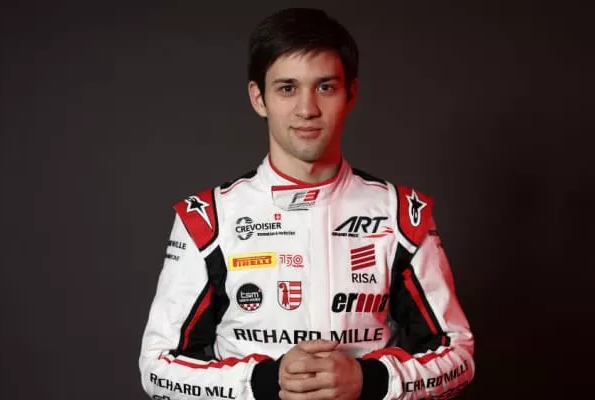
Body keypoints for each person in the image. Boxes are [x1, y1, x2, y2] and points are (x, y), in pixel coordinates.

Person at [138, 7, 475, 400]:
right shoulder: (208, 219)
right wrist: (267, 382)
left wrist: (368, 380)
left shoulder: (402, 215)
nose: (306, 109)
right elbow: (158, 369)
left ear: (351, 93)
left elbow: (459, 357)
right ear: (258, 98)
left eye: (325, 87)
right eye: (287, 88)